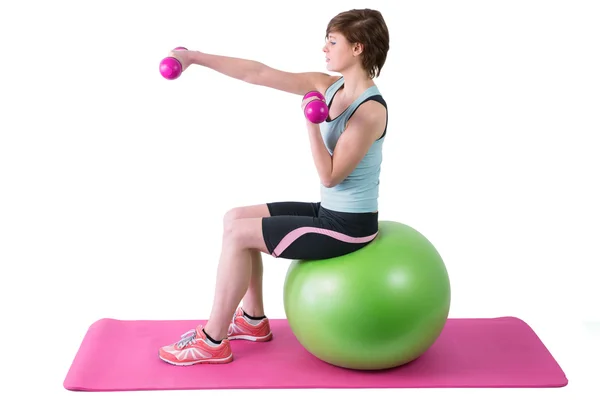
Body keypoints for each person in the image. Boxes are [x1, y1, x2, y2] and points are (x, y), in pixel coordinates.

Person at [158, 8, 390, 366]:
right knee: (235, 218)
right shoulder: (328, 86)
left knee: (239, 236)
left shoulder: (370, 111)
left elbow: (330, 176)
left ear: (357, 48)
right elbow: (259, 73)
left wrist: (311, 124)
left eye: (332, 41)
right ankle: (252, 321)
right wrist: (193, 58)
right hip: (328, 211)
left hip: (349, 228)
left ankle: (212, 340)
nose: (324, 49)